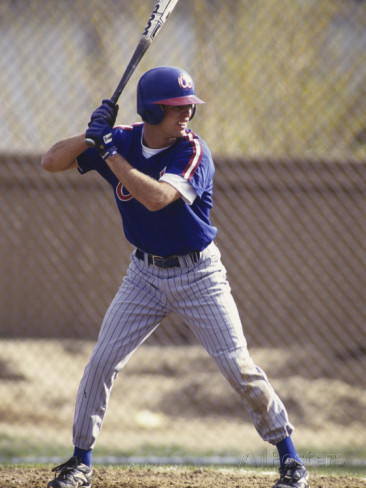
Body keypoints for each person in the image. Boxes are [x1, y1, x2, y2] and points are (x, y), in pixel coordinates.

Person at [42, 66, 309, 488]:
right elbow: (50, 161)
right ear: (151, 110)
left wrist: (108, 151)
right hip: (143, 276)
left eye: (190, 107)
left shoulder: (192, 150)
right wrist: (89, 136)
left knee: (239, 368)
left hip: (198, 274)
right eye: (177, 108)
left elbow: (157, 198)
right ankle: (80, 462)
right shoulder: (123, 139)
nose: (187, 115)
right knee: (101, 364)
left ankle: (291, 460)